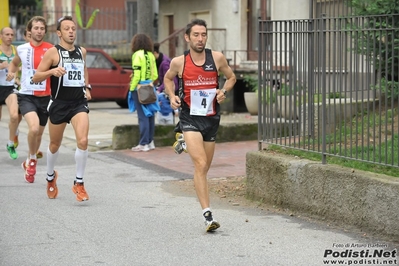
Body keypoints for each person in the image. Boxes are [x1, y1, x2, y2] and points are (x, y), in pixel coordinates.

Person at [163, 19, 236, 232]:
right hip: (189, 117)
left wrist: (223, 91)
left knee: (204, 168)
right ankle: (207, 215)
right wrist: (171, 96)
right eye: (196, 35)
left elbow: (231, 78)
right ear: (187, 37)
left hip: (211, 119)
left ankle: (183, 141)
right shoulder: (179, 62)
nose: (200, 38)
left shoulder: (217, 58)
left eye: (203, 34)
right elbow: (168, 79)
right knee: (200, 163)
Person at [32, 15, 91, 201]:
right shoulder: (53, 53)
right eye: (67, 29)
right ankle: (50, 177)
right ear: (59, 33)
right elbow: (36, 77)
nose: (71, 32)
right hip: (58, 104)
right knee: (54, 145)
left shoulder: (82, 51)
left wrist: (87, 87)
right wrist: (52, 71)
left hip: (78, 104)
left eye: (73, 28)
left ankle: (79, 183)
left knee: (82, 140)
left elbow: (84, 70)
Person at [7, 16, 53, 184]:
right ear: (29, 31)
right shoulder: (22, 49)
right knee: (33, 129)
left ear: (45, 31)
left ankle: (27, 161)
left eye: (42, 28)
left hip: (45, 97)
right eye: (36, 28)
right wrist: (12, 73)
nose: (39, 31)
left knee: (39, 134)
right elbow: (14, 63)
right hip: (26, 95)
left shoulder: (51, 49)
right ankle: (32, 159)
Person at [129, 34, 158, 152]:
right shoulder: (151, 55)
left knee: (142, 116)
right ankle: (150, 142)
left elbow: (136, 74)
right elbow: (155, 74)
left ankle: (143, 143)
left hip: (139, 88)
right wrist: (150, 81)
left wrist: (132, 87)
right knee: (150, 115)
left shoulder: (137, 55)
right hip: (150, 87)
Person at [0, 27, 19, 160]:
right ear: (1, 36)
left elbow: (16, 66)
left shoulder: (15, 50)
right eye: (7, 34)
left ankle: (10, 143)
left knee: (14, 116)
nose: (10, 37)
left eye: (12, 34)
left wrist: (15, 76)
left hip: (9, 88)